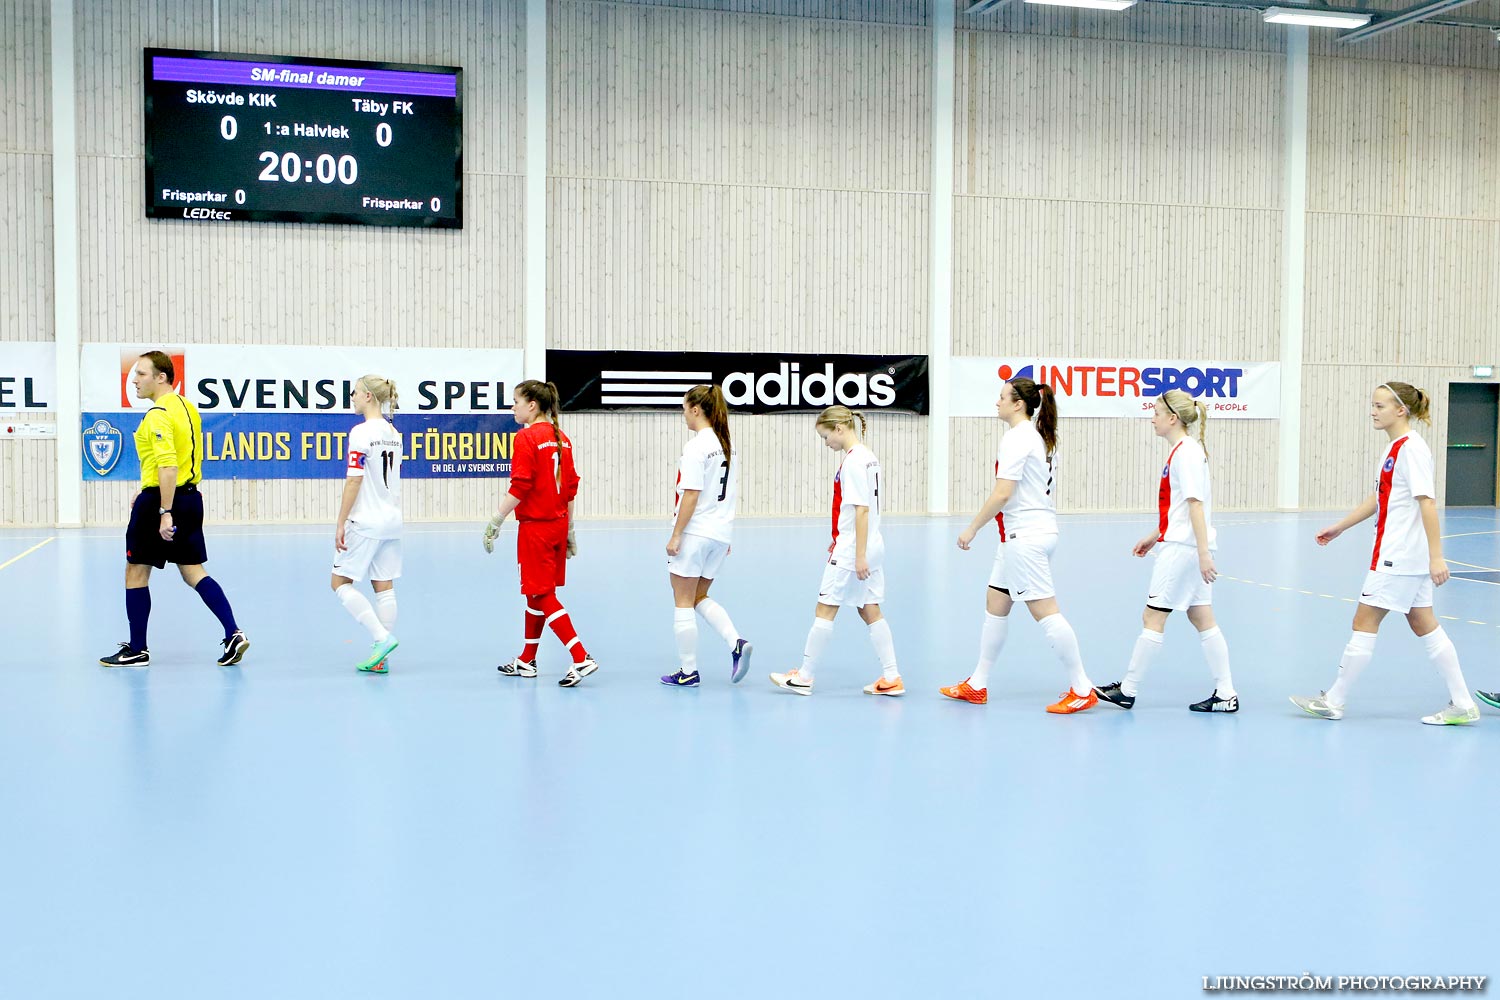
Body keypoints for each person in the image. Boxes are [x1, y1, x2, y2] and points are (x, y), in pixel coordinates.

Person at [1291, 381, 1479, 725]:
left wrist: (1437, 556)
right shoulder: (1393, 449)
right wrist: (1340, 527)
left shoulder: (1412, 450)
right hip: (1405, 556)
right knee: (1424, 624)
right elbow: (1380, 499)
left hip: (1399, 556)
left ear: (1400, 410)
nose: (1373, 412)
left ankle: (1334, 701)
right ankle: (1463, 702)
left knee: (1364, 622)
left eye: (1379, 406)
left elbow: (1428, 503)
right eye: (1373, 405)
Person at [940, 377, 1095, 713]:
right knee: (996, 602)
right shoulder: (1032, 436)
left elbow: (1003, 493)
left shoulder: (1017, 438)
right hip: (1020, 536)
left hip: (1026, 538)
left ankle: (1082, 687)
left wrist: (972, 528)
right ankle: (977, 684)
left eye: (1001, 397)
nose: (996, 403)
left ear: (1018, 404)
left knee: (1046, 613)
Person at [99, 350, 248, 667]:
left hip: (164, 501)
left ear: (161, 377)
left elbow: (168, 465)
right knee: (194, 572)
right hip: (191, 498)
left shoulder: (158, 414)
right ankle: (233, 632)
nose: (134, 380)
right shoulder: (188, 408)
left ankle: (137, 649)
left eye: (141, 374)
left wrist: (162, 509)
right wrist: (148, 487)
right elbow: (176, 458)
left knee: (136, 571)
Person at [1093, 389, 1238, 712]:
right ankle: (1226, 693)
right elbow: (1180, 510)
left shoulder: (1186, 453)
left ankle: (1127, 690)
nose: (1152, 418)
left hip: (1183, 550)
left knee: (1153, 615)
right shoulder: (1185, 450)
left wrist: (1202, 553)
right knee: (1202, 617)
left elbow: (1196, 506)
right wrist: (1155, 535)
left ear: (1173, 418)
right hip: (1183, 543)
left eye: (1156, 413)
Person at [770, 406, 904, 697]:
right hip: (871, 544)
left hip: (855, 547)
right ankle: (892, 676)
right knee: (869, 608)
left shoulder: (854, 462)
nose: (826, 443)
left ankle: (804, 677)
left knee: (825, 607)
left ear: (839, 430)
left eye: (826, 436)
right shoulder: (868, 457)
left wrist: (857, 554)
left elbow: (862, 510)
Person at [483, 380, 599, 688]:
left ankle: (581, 656)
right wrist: (570, 528)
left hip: (536, 528)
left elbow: (520, 486)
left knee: (543, 594)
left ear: (532, 405)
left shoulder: (526, 438)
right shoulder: (562, 438)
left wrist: (496, 519)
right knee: (537, 592)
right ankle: (527, 660)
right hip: (558, 525)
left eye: (516, 402)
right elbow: (570, 489)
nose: (513, 408)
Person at [661, 385, 752, 687]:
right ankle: (736, 642)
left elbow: (690, 495)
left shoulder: (696, 446)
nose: (683, 413)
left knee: (683, 600)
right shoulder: (727, 443)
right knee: (699, 596)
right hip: (720, 534)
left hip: (696, 532)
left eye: (685, 408)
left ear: (696, 410)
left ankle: (688, 671)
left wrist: (676, 535)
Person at [331, 375, 402, 674]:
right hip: (392, 521)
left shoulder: (361, 432)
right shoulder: (393, 432)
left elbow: (354, 479)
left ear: (369, 397)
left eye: (356, 393)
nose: (353, 397)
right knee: (383, 587)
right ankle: (381, 658)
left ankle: (381, 638)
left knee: (339, 582)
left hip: (366, 521)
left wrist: (341, 521)